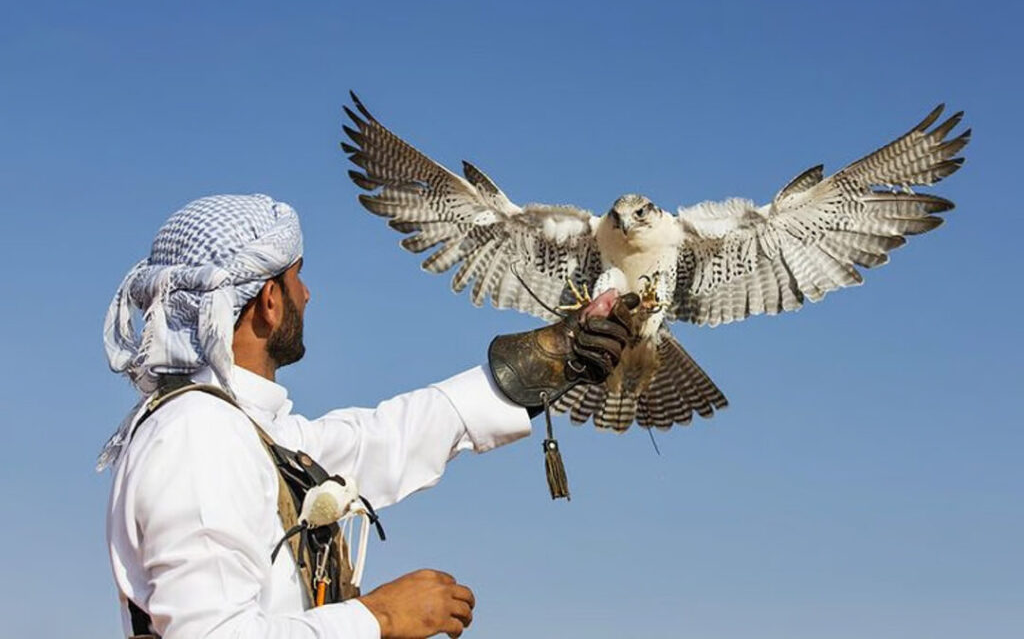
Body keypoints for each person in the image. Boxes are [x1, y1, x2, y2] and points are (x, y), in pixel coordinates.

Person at [102, 194, 636, 639]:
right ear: (268, 300)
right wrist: (378, 616)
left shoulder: (243, 429)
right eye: (296, 279)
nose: (307, 295)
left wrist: (553, 356)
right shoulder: (197, 436)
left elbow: (377, 440)